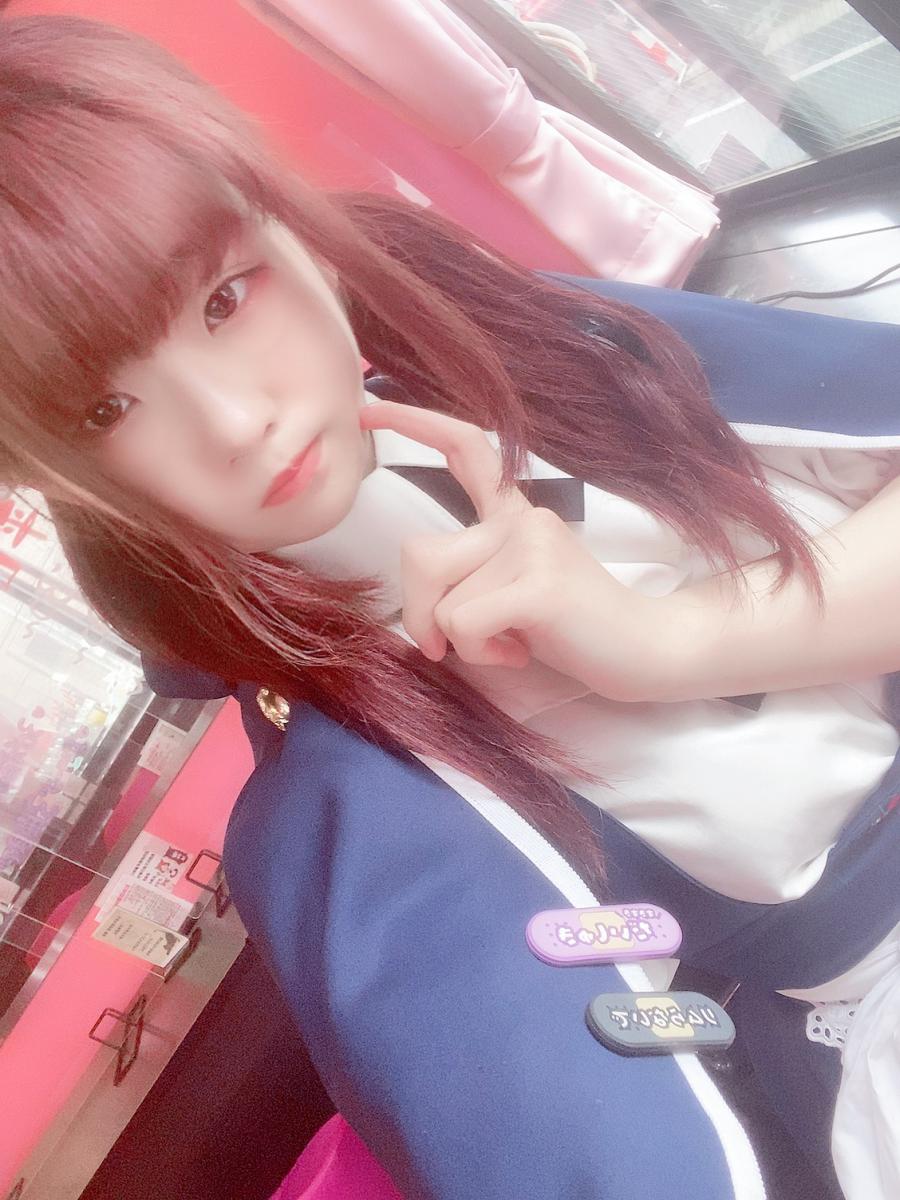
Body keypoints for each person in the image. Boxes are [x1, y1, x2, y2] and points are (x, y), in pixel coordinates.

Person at [2, 13, 899, 1199]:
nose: (234, 423)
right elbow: (571, 1116)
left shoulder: (512, 345)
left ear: (284, 217)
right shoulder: (338, 795)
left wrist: (674, 641)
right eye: (103, 413)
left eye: (223, 299)